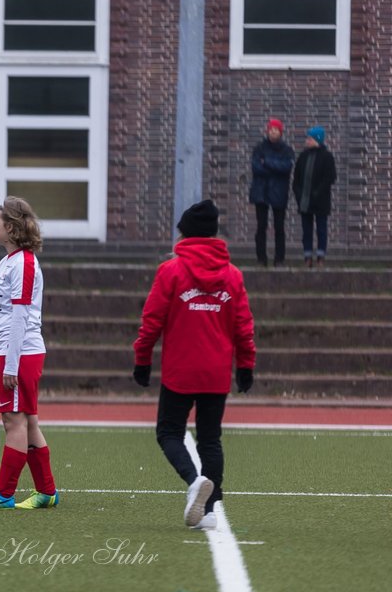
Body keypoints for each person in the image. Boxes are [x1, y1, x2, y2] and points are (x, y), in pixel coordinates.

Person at [133, 200, 256, 530]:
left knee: (168, 432)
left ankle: (192, 481)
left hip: (179, 372)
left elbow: (152, 320)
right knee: (210, 439)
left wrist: (142, 359)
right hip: (216, 372)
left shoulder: (171, 271)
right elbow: (243, 324)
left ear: (185, 233)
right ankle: (211, 509)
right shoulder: (232, 276)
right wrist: (245, 366)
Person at [0, 197, 58, 511]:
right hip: (9, 350)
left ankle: (3, 492)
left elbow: (19, 316)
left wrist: (11, 361)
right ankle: (47, 491)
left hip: (22, 351)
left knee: (13, 420)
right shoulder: (7, 262)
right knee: (28, 420)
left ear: (11, 226)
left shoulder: (24, 263)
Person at [249, 118, 294, 267]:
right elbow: (256, 167)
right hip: (261, 192)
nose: (273, 132)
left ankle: (279, 259)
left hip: (279, 192)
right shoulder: (259, 148)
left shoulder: (287, 150)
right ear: (267, 131)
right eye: (271, 129)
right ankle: (261, 259)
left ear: (280, 133)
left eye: (276, 130)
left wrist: (267, 162)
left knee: (279, 227)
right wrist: (275, 168)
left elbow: (286, 168)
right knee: (261, 226)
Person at [292, 126, 336, 268]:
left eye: (310, 138)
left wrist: (318, 193)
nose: (307, 141)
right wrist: (298, 195)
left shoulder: (327, 157)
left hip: (320, 201)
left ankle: (321, 256)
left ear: (317, 140)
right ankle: (307, 256)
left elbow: (330, 177)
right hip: (304, 201)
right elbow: (297, 178)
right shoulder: (303, 157)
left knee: (321, 228)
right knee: (307, 230)